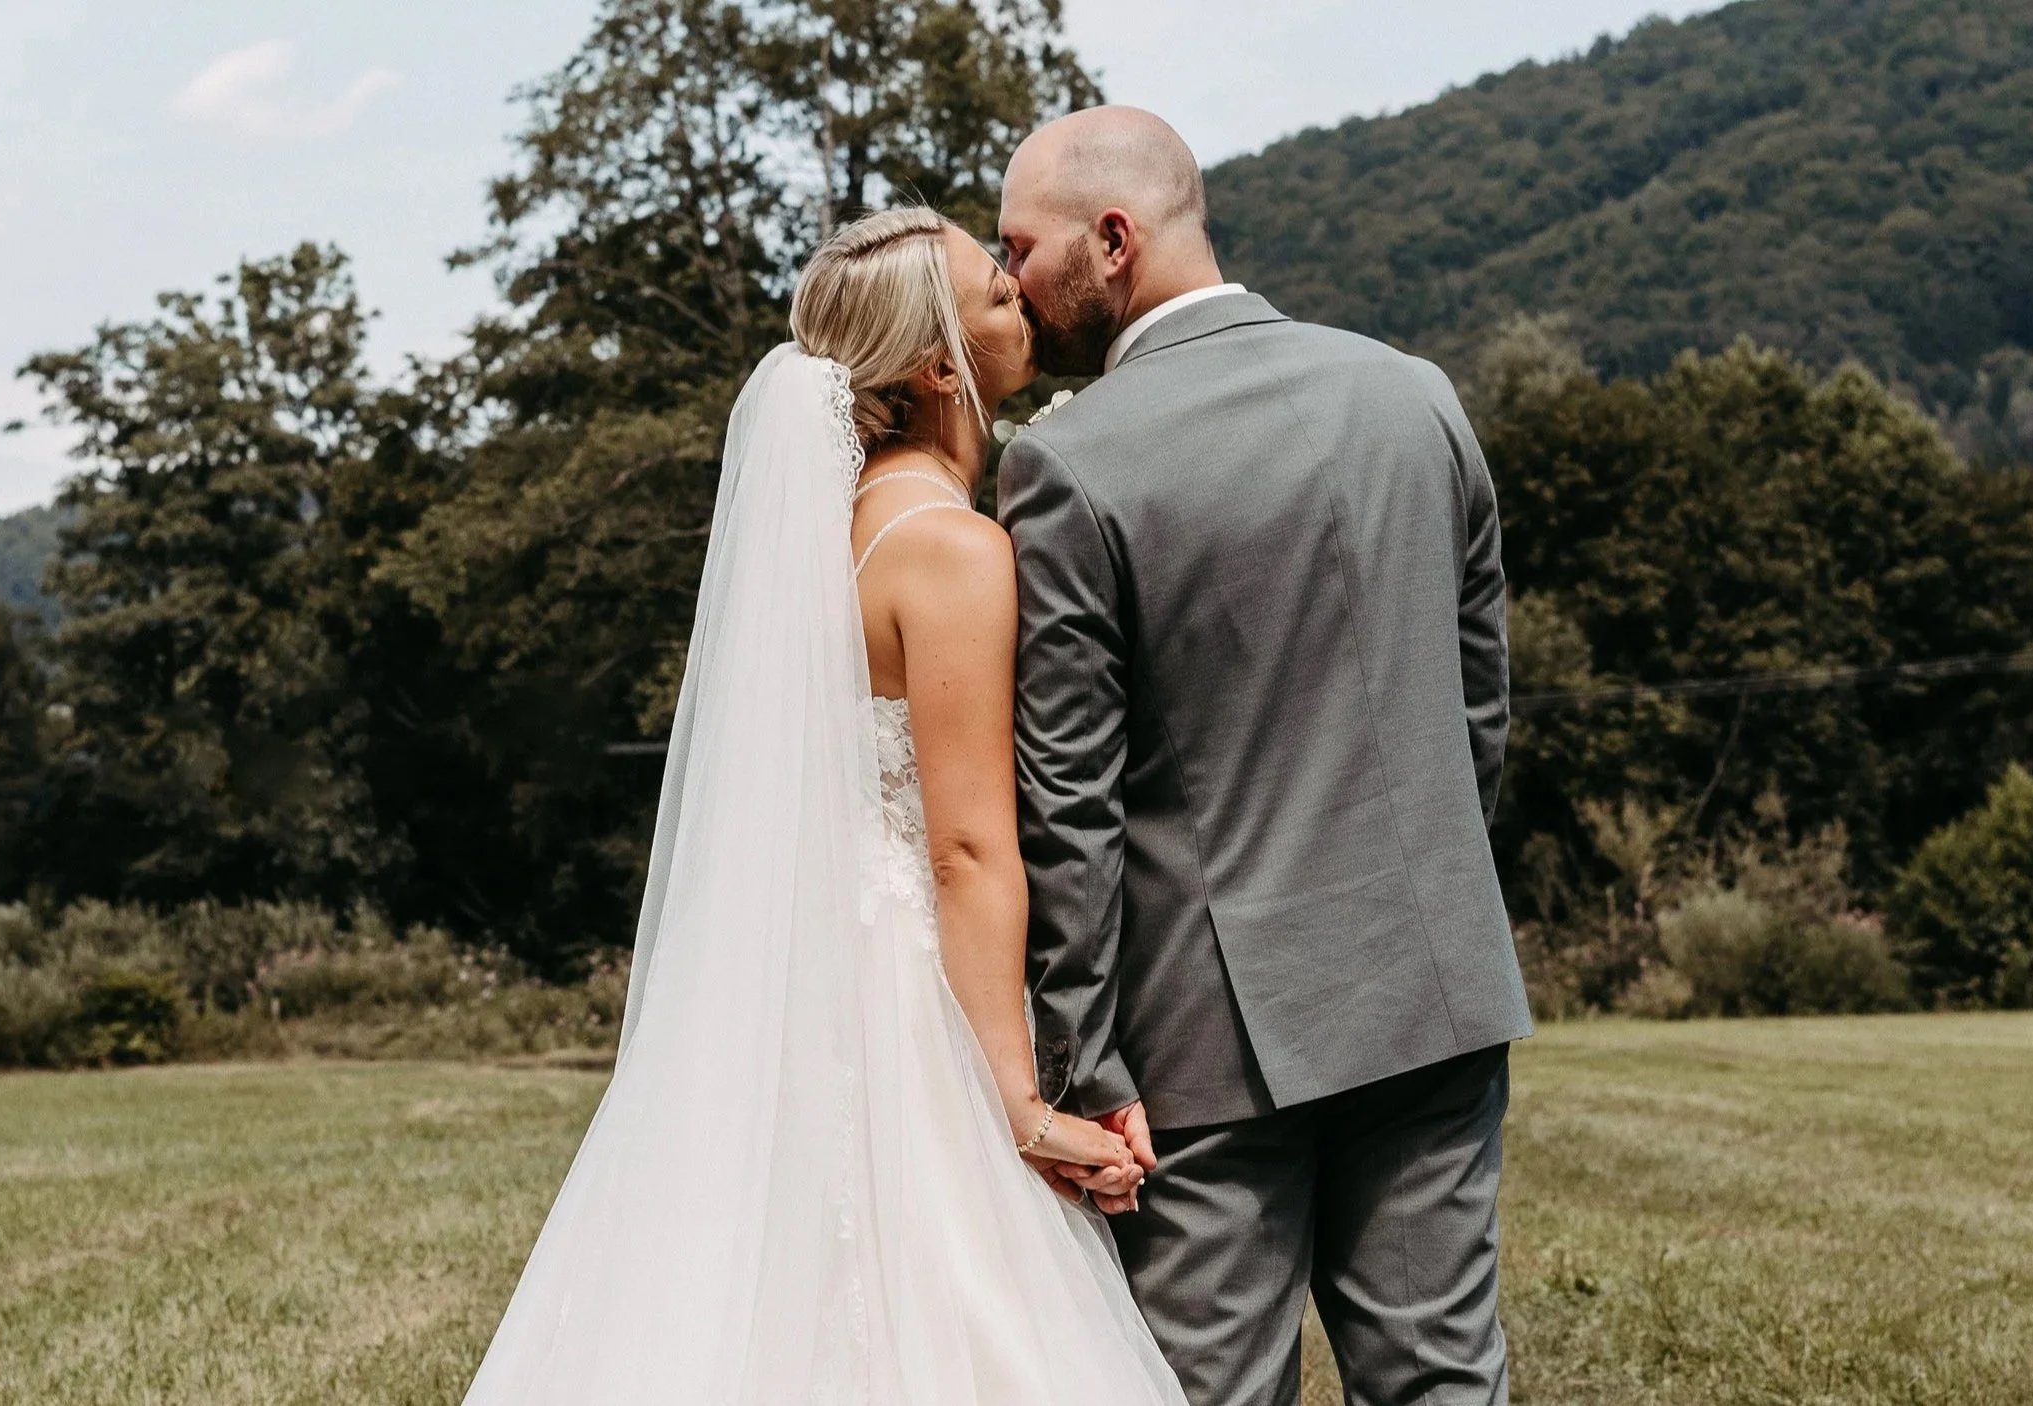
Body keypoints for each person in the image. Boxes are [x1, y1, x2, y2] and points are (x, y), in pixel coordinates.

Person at [456, 205, 1187, 1405]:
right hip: (910, 999)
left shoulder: (829, 540)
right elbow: (963, 849)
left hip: (802, 981)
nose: (1019, 294)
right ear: (940, 364)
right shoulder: (950, 548)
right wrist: (1011, 1099)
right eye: (994, 291)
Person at [995, 106, 1531, 1406]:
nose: (1010, 281)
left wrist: (1081, 1061)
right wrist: (1427, 901)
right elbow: (1478, 714)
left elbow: (1070, 804)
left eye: (1019, 248)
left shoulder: (1066, 463)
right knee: (1442, 1380)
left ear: (1111, 240)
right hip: (1433, 984)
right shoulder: (1417, 395)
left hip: (1203, 1043)